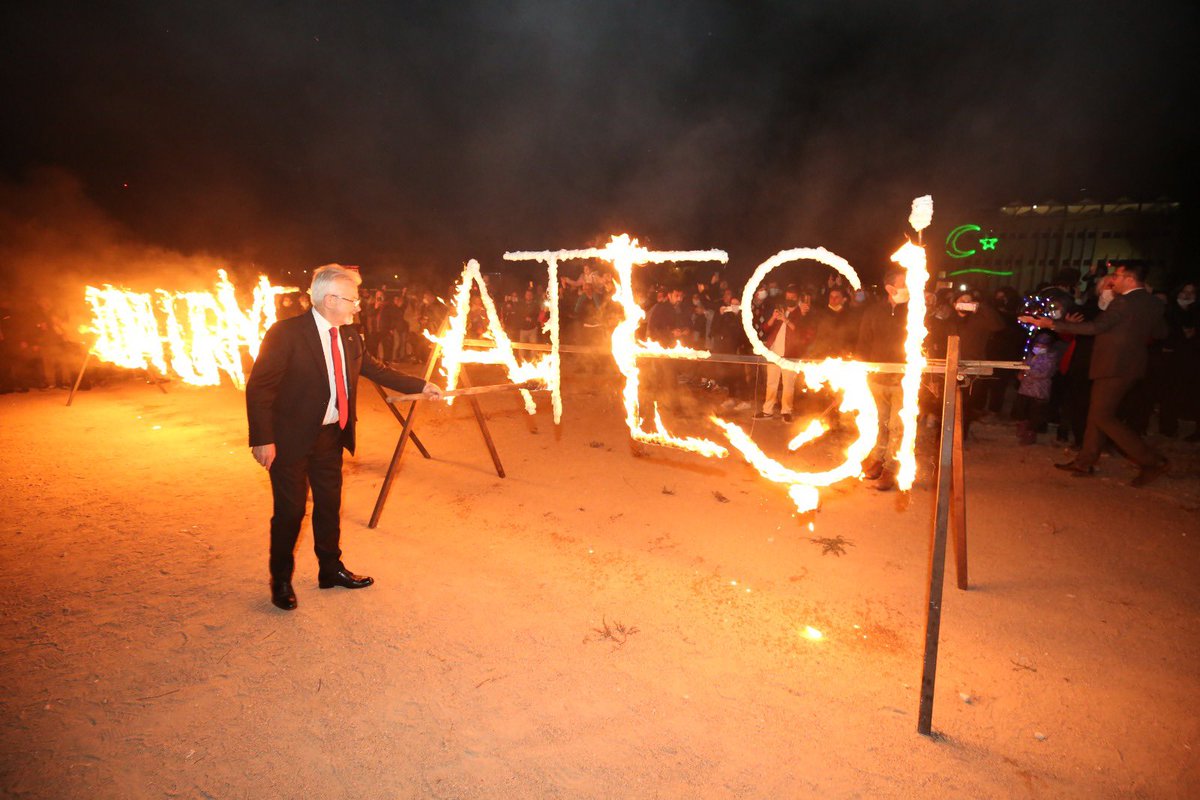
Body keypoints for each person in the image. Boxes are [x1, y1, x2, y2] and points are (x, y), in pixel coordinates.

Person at [246, 265, 442, 611]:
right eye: (352, 299)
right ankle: (281, 579)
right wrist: (263, 438)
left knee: (328, 506)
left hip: (330, 438)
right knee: (290, 512)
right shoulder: (286, 333)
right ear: (330, 299)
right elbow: (260, 387)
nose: (358, 306)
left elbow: (377, 369)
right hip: (290, 439)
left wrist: (420, 386)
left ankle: (330, 570)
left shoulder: (350, 336)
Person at [1021, 263, 1169, 487]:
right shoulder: (1153, 302)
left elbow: (1094, 328)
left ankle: (1152, 461)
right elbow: (1161, 332)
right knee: (1097, 414)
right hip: (1130, 365)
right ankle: (1085, 460)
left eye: (1117, 277)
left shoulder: (1123, 302)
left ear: (1130, 280)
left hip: (1114, 366)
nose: (1112, 281)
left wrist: (1051, 323)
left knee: (1103, 416)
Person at [856, 268, 910, 490]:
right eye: (904, 283)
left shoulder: (916, 312)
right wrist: (860, 370)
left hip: (903, 380)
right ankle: (878, 459)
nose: (908, 287)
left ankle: (891, 467)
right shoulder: (873, 311)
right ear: (890, 288)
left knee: (897, 426)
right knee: (880, 423)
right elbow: (863, 343)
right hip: (877, 379)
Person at [754, 285, 815, 423]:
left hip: (791, 354)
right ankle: (767, 411)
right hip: (774, 353)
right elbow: (765, 328)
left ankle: (786, 411)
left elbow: (802, 335)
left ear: (797, 298)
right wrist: (773, 317)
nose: (789, 300)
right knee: (771, 383)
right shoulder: (780, 309)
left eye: (792, 298)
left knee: (788, 385)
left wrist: (786, 320)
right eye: (787, 297)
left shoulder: (802, 313)